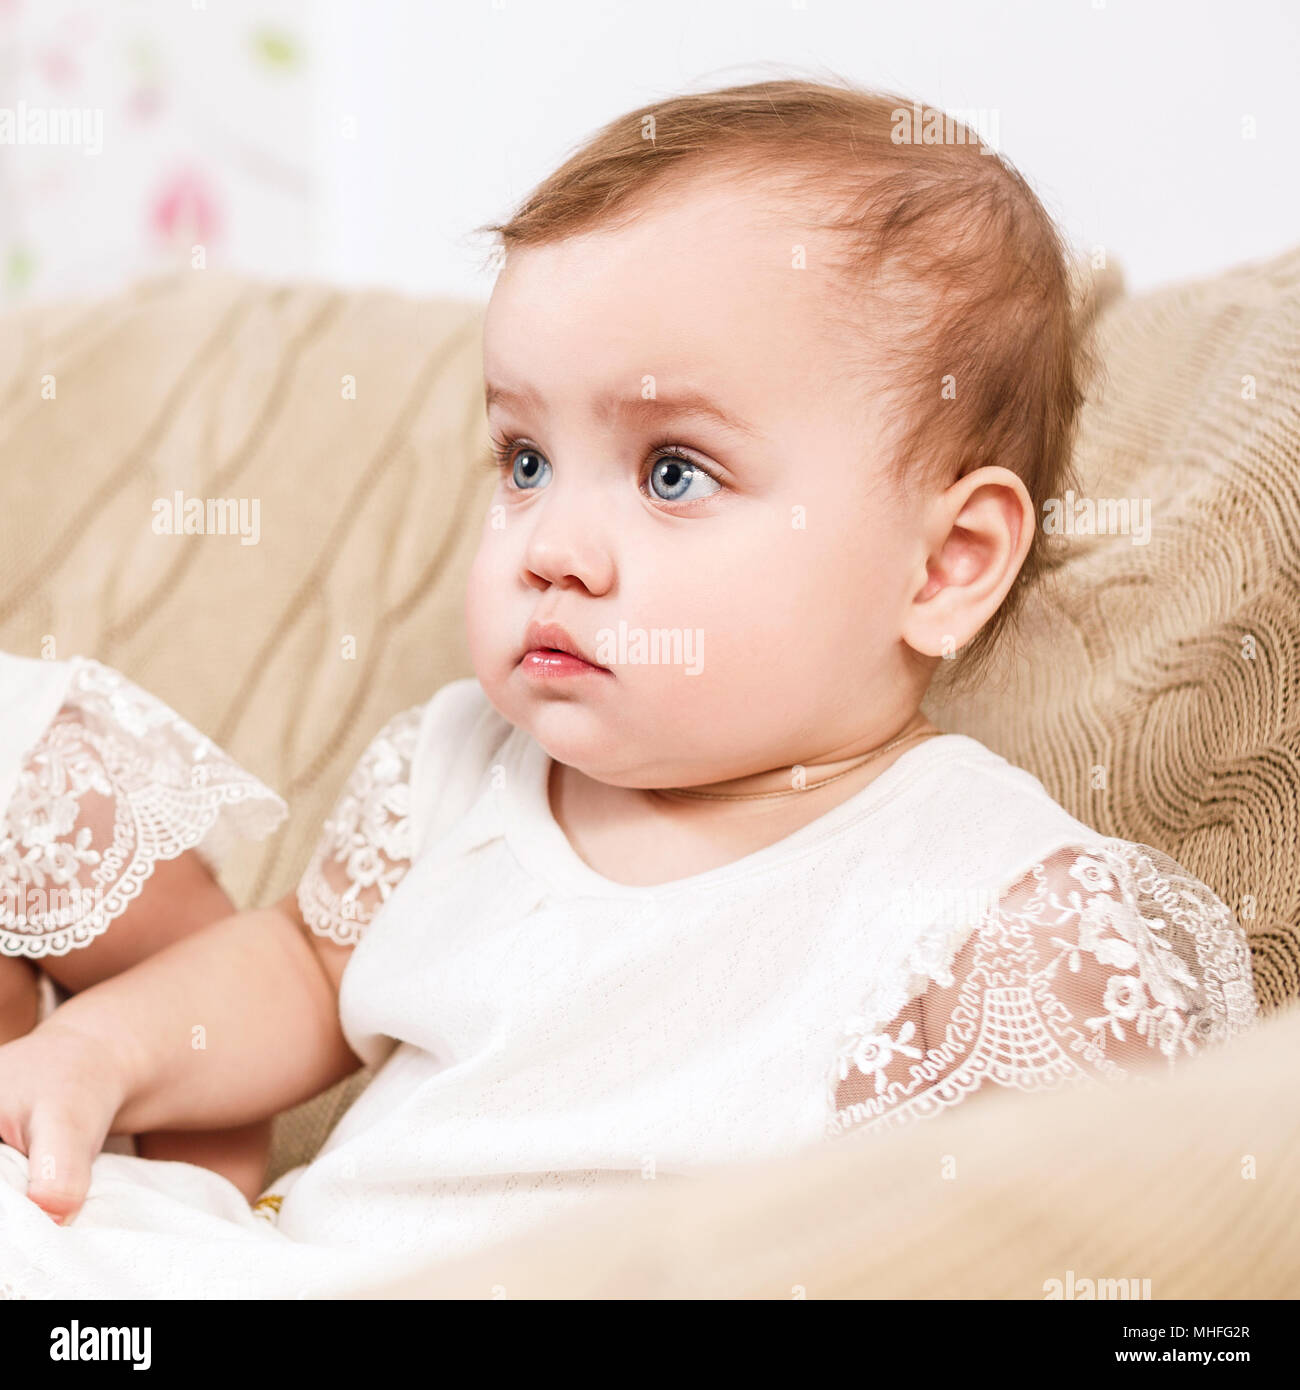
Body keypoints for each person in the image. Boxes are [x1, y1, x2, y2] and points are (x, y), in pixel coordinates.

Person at [0, 77, 1258, 1300]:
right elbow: (303, 973)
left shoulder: (994, 912)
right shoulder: (457, 768)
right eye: (527, 457)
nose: (549, 544)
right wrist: (94, 1053)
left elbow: (1032, 1229)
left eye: (671, 473)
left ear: (944, 563)